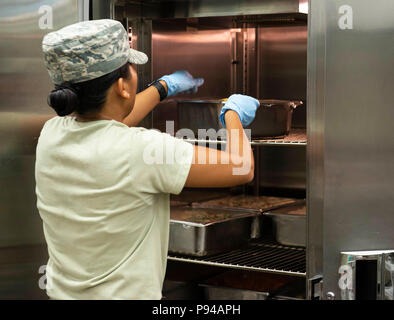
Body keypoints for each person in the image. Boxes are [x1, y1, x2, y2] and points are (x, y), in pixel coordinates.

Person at [36, 19, 260, 300]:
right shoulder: (143, 150)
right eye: (131, 67)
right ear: (122, 86)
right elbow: (242, 167)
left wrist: (161, 89)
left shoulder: (51, 135)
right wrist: (233, 115)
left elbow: (111, 121)